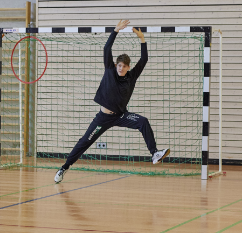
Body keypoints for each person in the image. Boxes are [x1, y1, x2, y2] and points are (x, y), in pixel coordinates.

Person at [54, 20, 170, 184]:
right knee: (84, 142)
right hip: (103, 118)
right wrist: (115, 30)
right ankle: (64, 167)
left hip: (121, 115)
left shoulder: (132, 76)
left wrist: (142, 39)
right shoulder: (109, 69)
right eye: (119, 65)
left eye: (124, 66)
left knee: (143, 121)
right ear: (116, 65)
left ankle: (155, 153)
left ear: (128, 67)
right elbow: (106, 48)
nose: (121, 68)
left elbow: (144, 59)